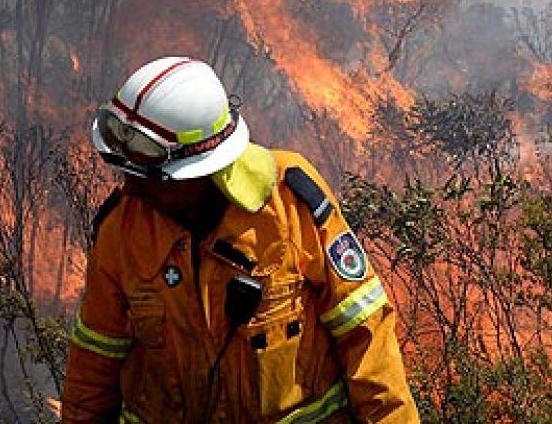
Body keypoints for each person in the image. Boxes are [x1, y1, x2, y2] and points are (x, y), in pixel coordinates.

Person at [60, 56, 420, 423]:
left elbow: (365, 334)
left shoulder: (290, 201)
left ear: (201, 172)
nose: (130, 188)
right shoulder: (123, 227)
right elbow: (94, 361)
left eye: (152, 178)